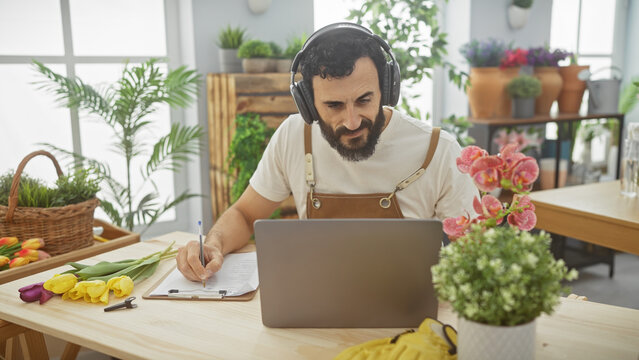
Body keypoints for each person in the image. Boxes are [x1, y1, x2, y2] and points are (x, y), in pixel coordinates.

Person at [177, 22, 478, 282]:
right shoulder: (294, 136)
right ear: (307, 103)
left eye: (364, 99)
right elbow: (244, 214)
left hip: (409, 313)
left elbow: (476, 253)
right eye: (334, 105)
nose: (352, 121)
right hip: (315, 306)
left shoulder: (439, 150)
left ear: (387, 89)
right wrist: (213, 243)